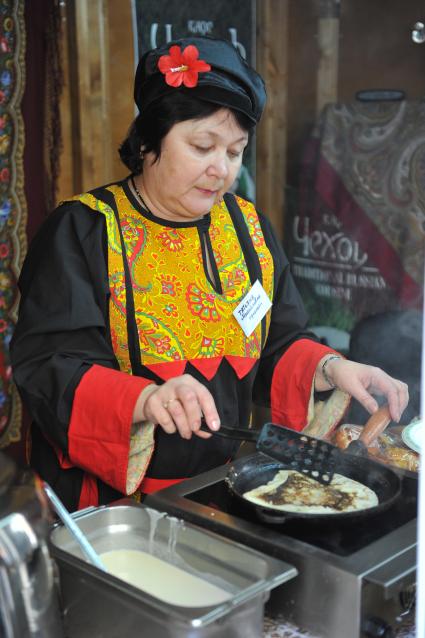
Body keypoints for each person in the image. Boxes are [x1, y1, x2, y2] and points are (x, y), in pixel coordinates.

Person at [10, 37, 408, 512]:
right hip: (114, 508)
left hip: (225, 490)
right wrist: (145, 400)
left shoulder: (246, 227)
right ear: (148, 141)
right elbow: (50, 366)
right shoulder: (85, 230)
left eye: (235, 151)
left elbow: (278, 342)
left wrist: (332, 368)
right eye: (202, 146)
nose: (222, 170)